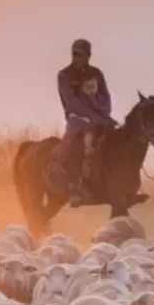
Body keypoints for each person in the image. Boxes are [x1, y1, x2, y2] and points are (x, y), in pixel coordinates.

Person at [52, 38, 116, 207]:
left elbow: (105, 97)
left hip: (99, 116)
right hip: (77, 117)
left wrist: (103, 112)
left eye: (80, 54)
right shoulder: (64, 75)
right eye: (74, 54)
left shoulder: (97, 74)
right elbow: (71, 101)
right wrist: (90, 116)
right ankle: (73, 186)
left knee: (117, 138)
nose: (76, 58)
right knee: (76, 144)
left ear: (88, 55)